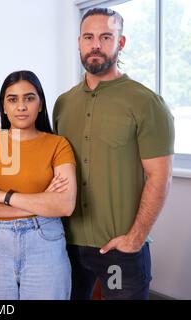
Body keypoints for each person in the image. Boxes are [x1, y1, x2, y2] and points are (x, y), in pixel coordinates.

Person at [53, 8, 175, 300]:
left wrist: (135, 238)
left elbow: (160, 175)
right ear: (79, 42)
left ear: (120, 43)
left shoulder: (146, 103)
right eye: (89, 37)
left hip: (120, 249)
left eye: (106, 37)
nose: (96, 44)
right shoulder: (62, 104)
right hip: (65, 245)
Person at [0, 70, 77, 300]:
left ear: (40, 103)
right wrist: (39, 203)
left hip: (45, 242)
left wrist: (1, 196)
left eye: (29, 98)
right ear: (4, 107)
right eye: (12, 99)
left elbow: (65, 205)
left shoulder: (58, 145)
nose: (21, 106)